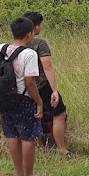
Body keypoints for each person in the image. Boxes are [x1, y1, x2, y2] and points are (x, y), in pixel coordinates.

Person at [0, 17, 44, 176]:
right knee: (27, 137)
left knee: (12, 136)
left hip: (5, 99)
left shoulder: (1, 48)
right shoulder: (29, 54)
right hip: (23, 99)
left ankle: (18, 175)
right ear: (29, 34)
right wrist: (39, 102)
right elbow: (30, 82)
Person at [23, 12, 72, 159]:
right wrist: (54, 90)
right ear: (35, 27)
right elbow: (48, 67)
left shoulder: (16, 44)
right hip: (41, 86)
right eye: (40, 25)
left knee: (35, 115)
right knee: (59, 114)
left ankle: (41, 147)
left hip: (23, 88)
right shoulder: (39, 43)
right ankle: (62, 149)